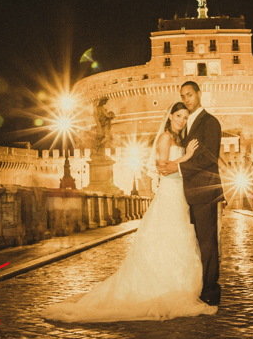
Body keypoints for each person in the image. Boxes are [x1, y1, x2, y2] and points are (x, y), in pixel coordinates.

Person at [41, 102, 217, 322]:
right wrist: (188, 156)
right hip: (170, 195)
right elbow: (162, 167)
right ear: (170, 116)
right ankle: (160, 287)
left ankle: (175, 282)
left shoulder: (179, 139)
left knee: (176, 239)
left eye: (185, 117)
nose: (181, 120)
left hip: (179, 195)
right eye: (178, 116)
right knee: (167, 238)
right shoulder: (165, 138)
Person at [158, 81, 225, 306]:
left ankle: (210, 290)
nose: (187, 99)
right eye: (183, 96)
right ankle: (198, 285)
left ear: (199, 94)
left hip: (204, 192)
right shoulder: (185, 127)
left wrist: (177, 166)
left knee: (207, 243)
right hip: (188, 194)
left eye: (190, 94)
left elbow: (208, 158)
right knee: (195, 244)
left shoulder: (210, 122)